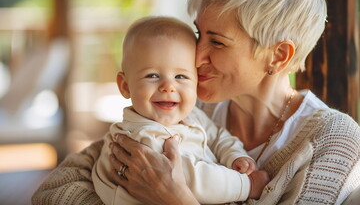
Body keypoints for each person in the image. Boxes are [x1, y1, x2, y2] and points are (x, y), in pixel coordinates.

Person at [32, 0, 360, 204]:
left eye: (216, 43)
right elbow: (54, 188)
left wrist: (172, 197)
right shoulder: (182, 107)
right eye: (199, 34)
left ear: (277, 56)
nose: (196, 55)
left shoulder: (332, 140)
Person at [92, 16, 269, 205]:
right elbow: (188, 181)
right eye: (152, 75)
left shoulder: (192, 115)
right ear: (125, 86)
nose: (168, 86)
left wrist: (235, 155)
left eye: (181, 76)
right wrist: (246, 184)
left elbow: (218, 136)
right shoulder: (141, 137)